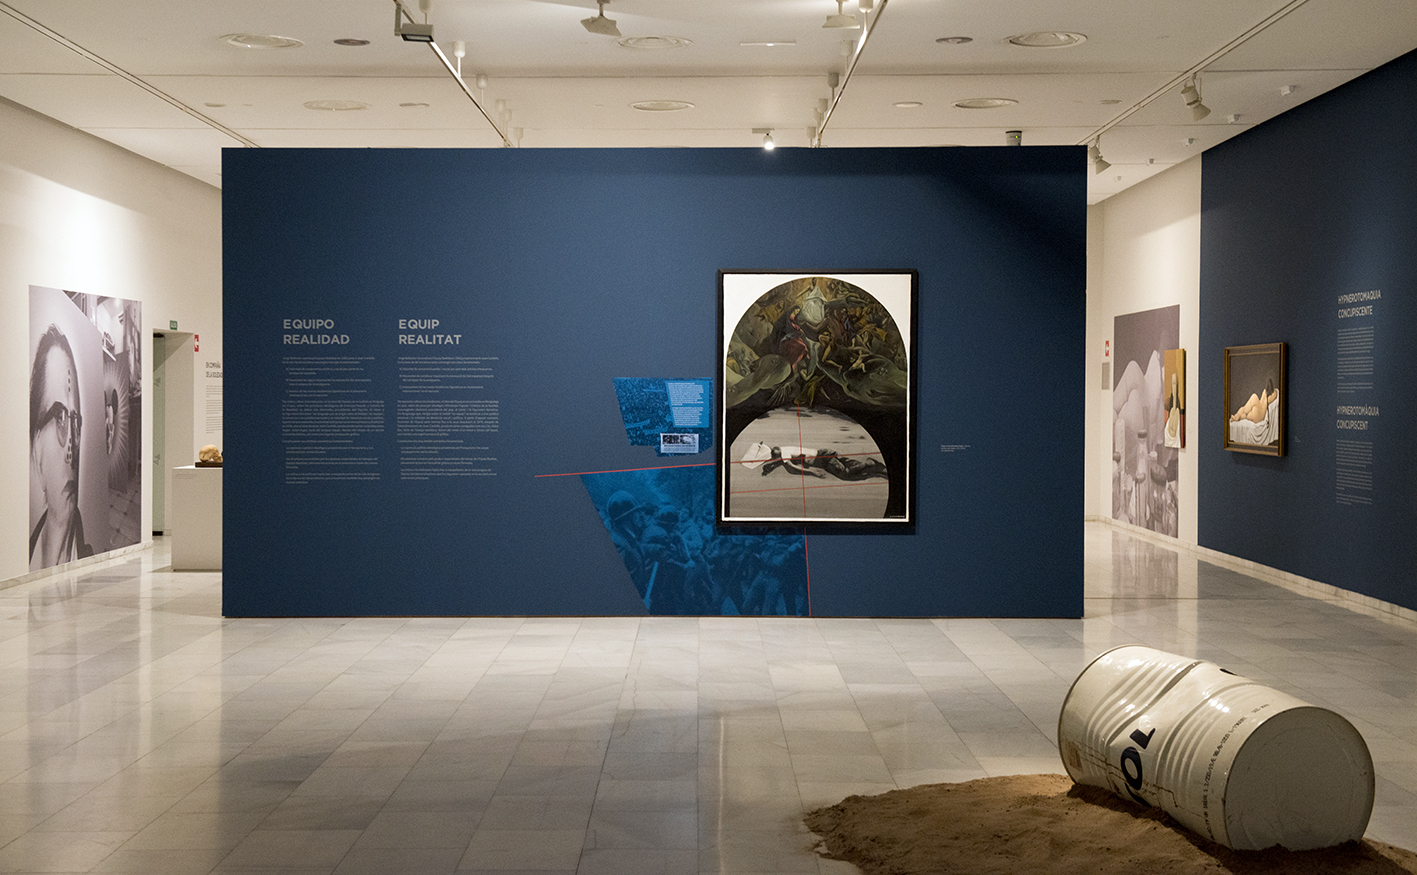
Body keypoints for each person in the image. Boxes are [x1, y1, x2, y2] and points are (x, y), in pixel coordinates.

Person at [29, 324, 93, 570]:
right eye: (59, 417)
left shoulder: (89, 558)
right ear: (36, 446)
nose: (71, 449)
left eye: (76, 421)